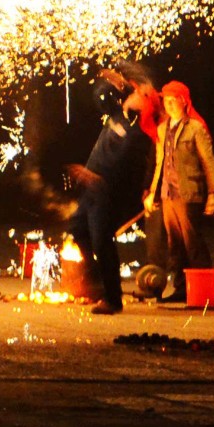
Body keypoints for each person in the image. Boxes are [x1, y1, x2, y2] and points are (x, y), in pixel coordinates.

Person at [64, 71, 153, 315]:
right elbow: (100, 97)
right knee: (77, 229)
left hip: (107, 191)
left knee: (102, 241)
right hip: (91, 190)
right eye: (135, 91)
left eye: (141, 94)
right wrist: (118, 83)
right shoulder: (118, 115)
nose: (136, 94)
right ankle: (94, 284)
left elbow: (124, 163)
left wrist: (95, 177)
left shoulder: (140, 132)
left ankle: (112, 298)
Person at [145, 80, 214, 303]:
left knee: (193, 242)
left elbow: (209, 161)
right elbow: (160, 164)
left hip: (189, 193)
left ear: (183, 101)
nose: (168, 105)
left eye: (172, 100)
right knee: (174, 244)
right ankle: (181, 288)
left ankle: (205, 290)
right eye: (166, 100)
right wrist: (152, 192)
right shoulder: (163, 128)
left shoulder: (195, 128)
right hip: (168, 194)